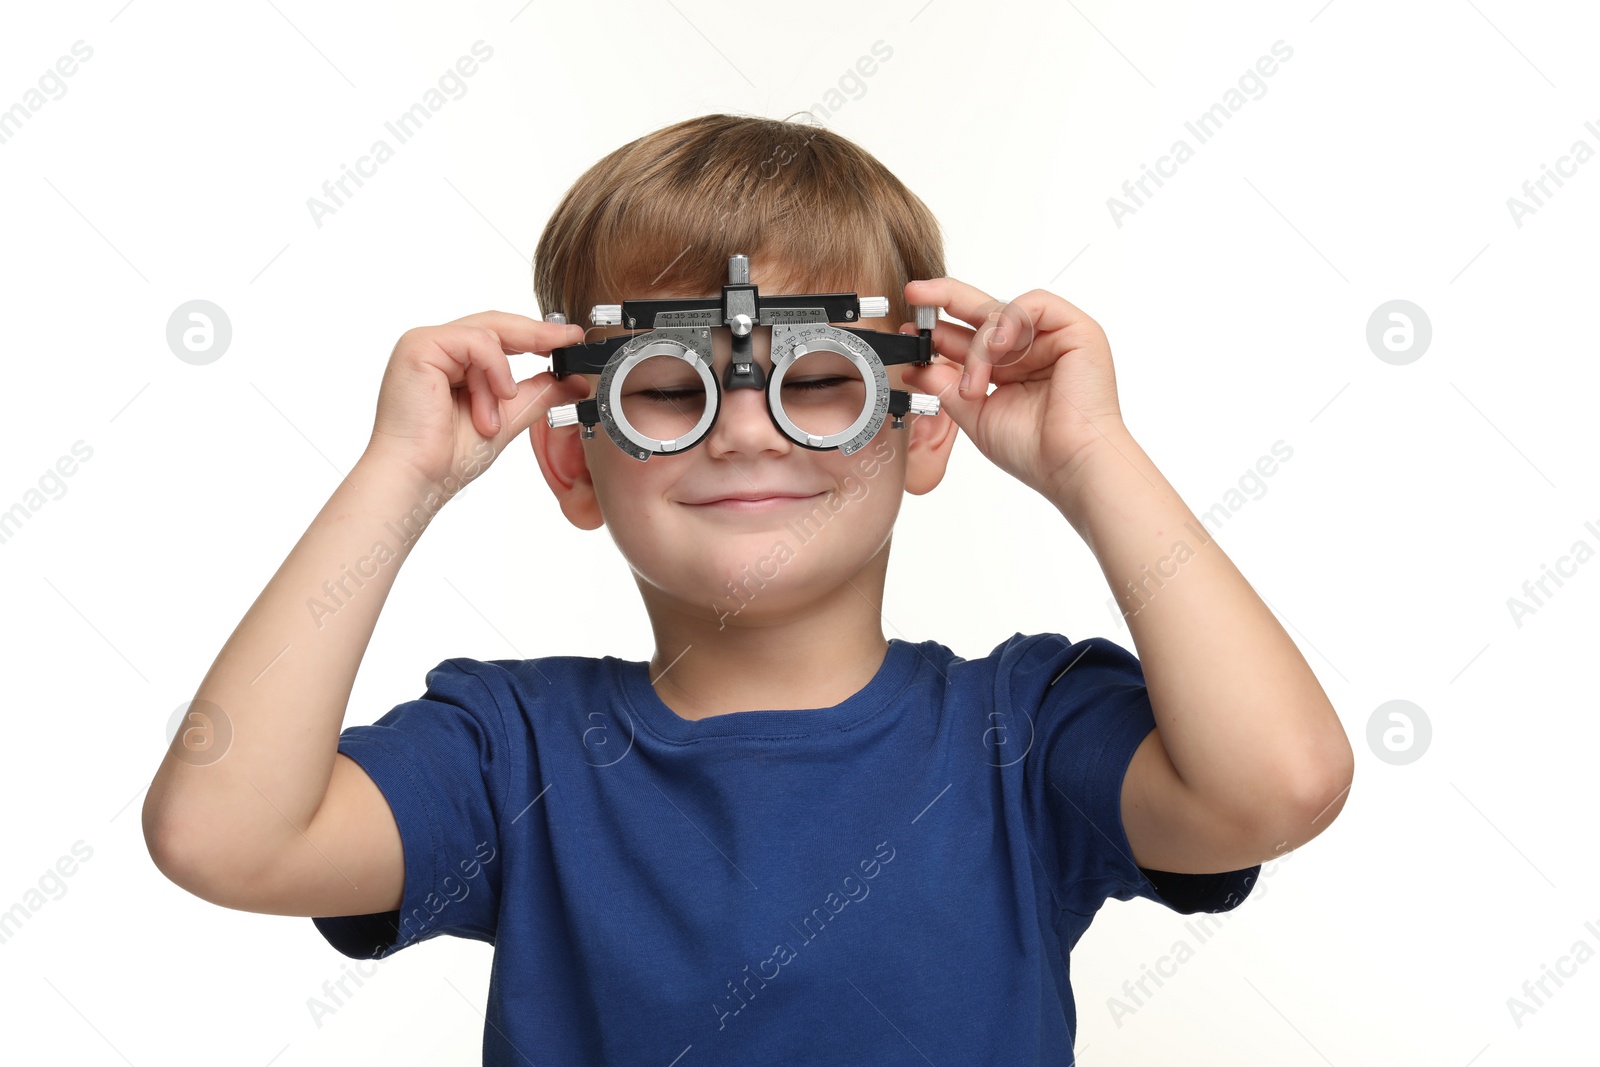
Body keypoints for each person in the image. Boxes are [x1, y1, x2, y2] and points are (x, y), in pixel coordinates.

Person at [141, 113, 1354, 1064]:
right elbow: (222, 837)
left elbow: (1280, 783)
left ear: (920, 429)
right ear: (573, 456)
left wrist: (1095, 462)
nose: (743, 431)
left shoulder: (1022, 735)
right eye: (666, 389)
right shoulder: (512, 754)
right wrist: (395, 479)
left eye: (815, 378)